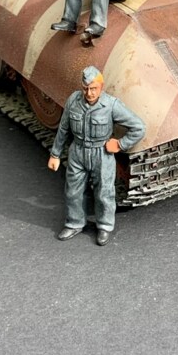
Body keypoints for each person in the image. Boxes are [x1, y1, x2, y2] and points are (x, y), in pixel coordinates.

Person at [47, 66, 146, 246]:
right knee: (73, 191)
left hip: (102, 154)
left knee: (104, 193)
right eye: (86, 88)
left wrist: (120, 144)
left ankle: (105, 226)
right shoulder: (73, 101)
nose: (89, 93)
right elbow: (63, 128)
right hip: (78, 152)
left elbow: (138, 127)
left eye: (94, 88)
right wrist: (55, 154)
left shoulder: (111, 105)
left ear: (101, 87)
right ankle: (74, 222)